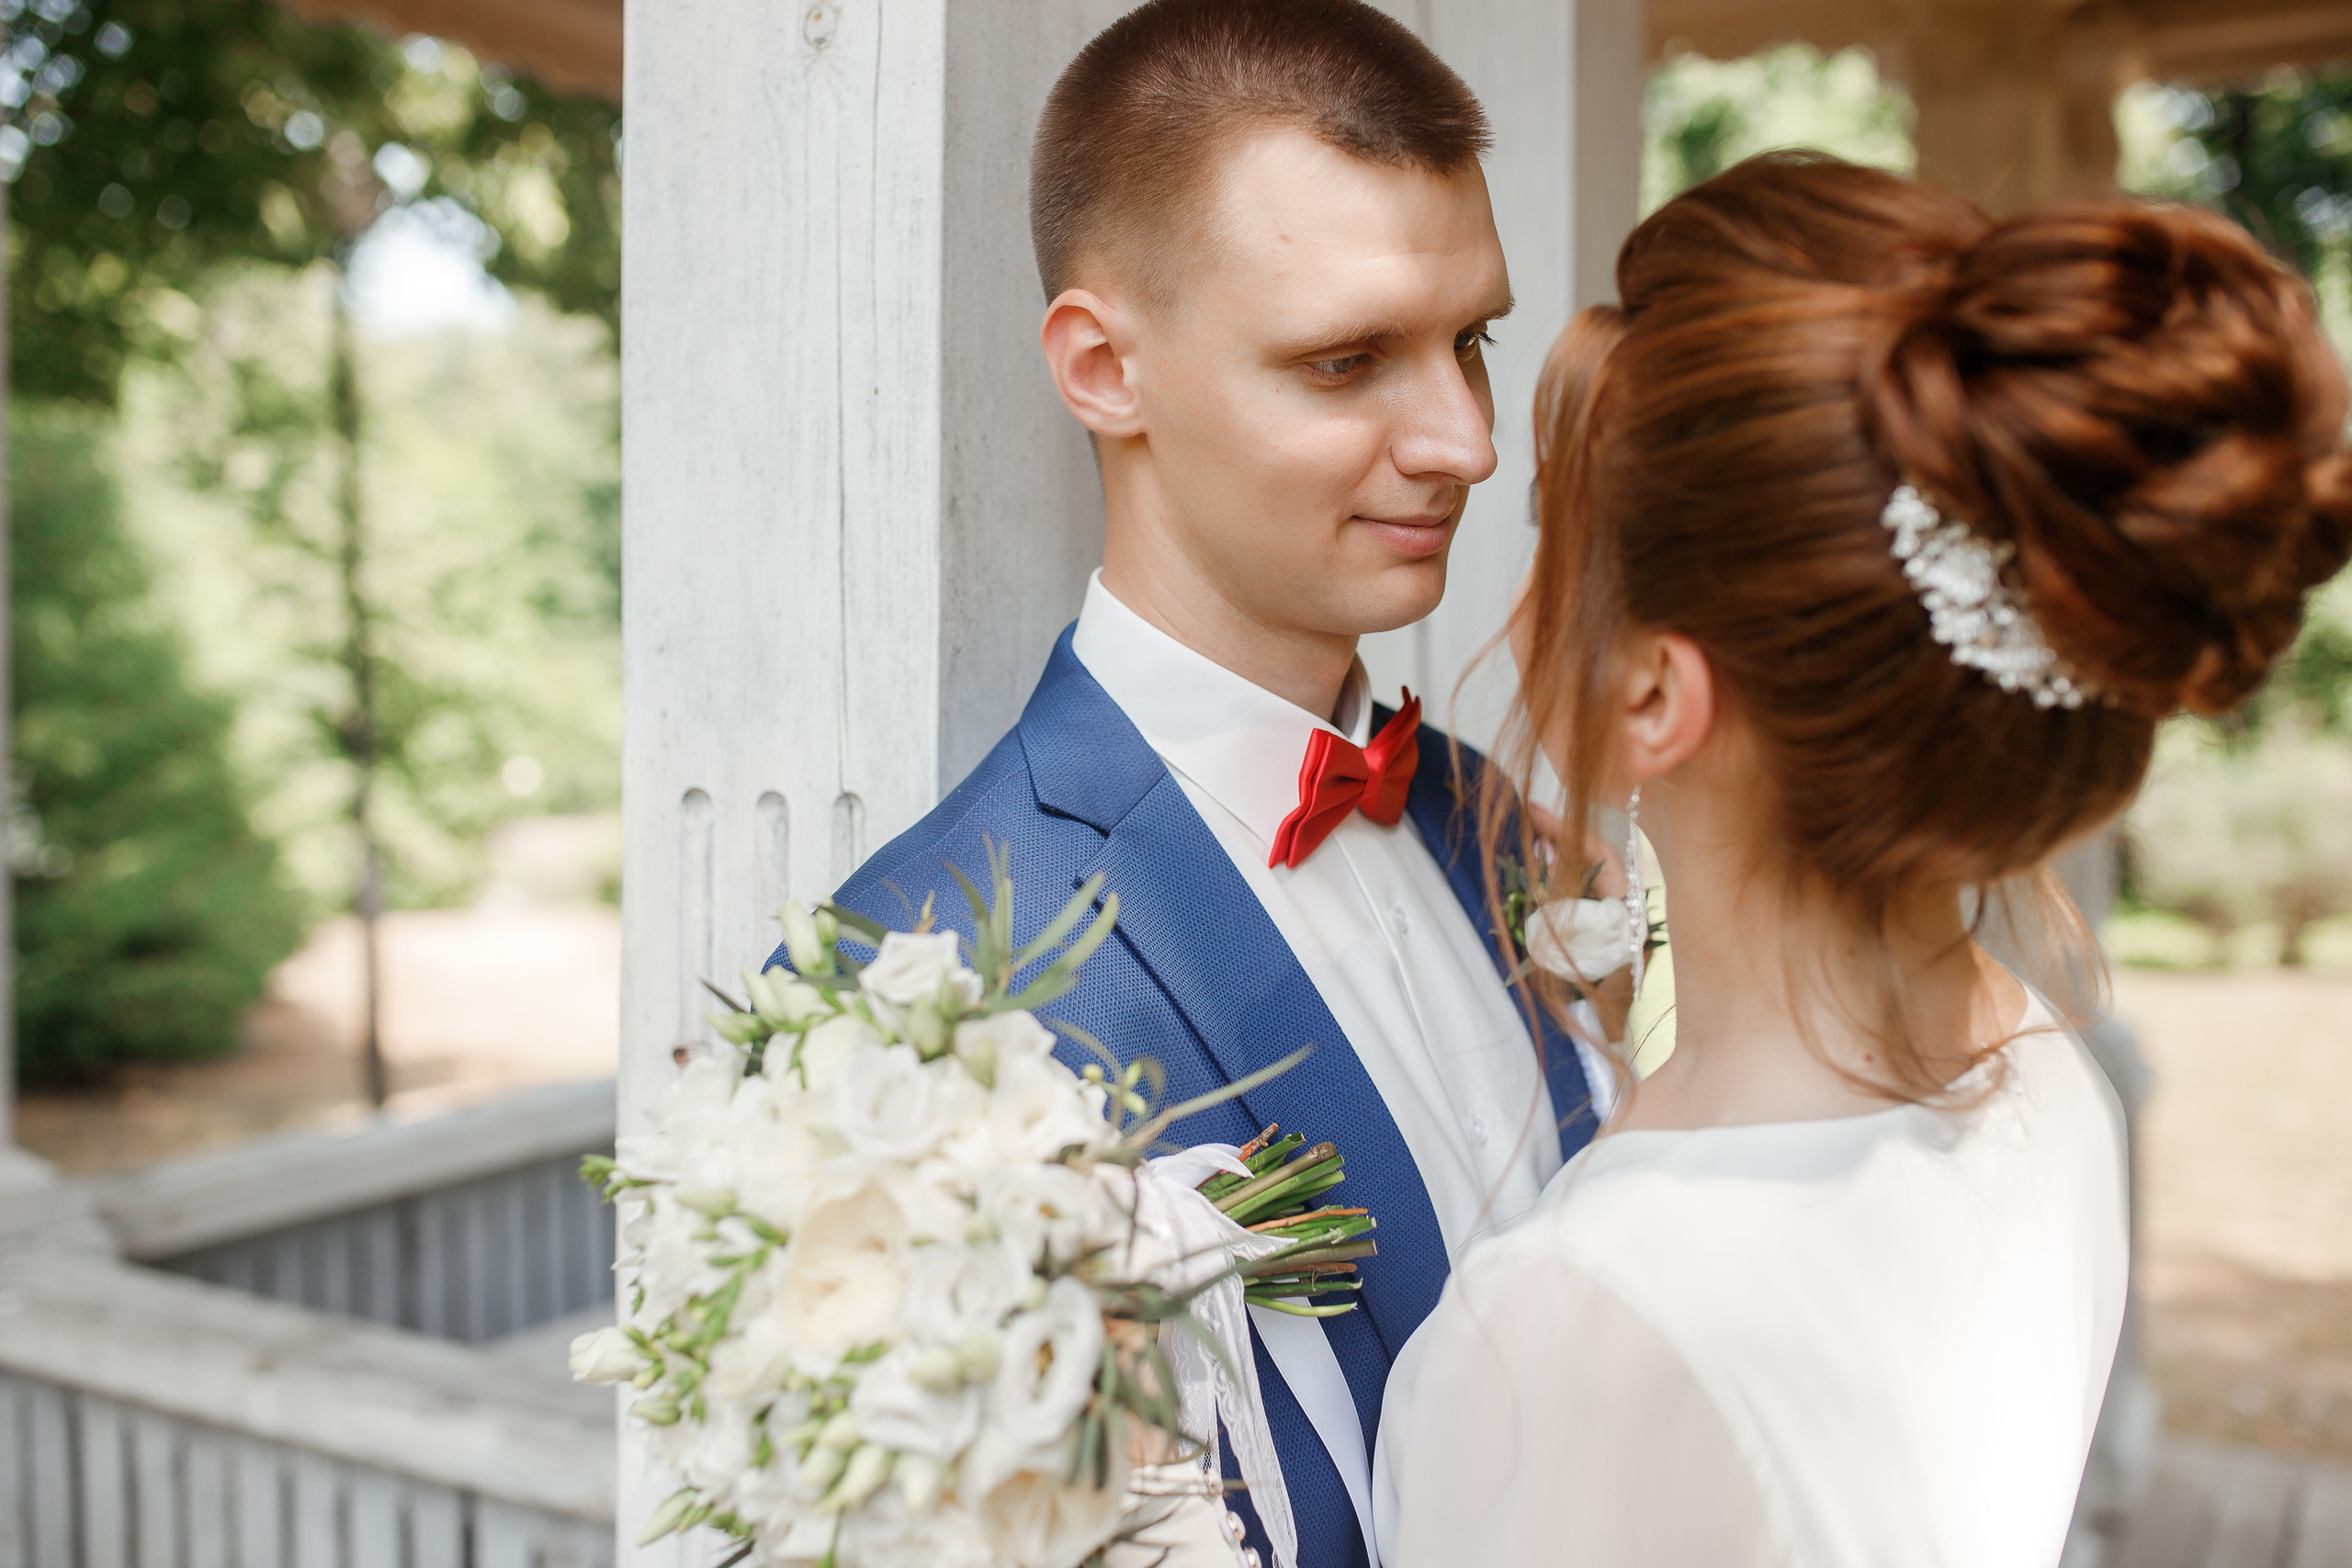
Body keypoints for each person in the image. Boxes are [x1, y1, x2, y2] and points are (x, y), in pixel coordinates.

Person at [1372, 153, 2352, 1566]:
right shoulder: (2044, 1076)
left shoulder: (1580, 1325)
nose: (1521, 600)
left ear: (1655, 689)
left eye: (1552, 531)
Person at [774, 4, 1608, 1565]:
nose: (1467, 444)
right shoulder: (904, 1003)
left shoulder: (1496, 821)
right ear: (1105, 370)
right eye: (1348, 360)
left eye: (1472, 343)